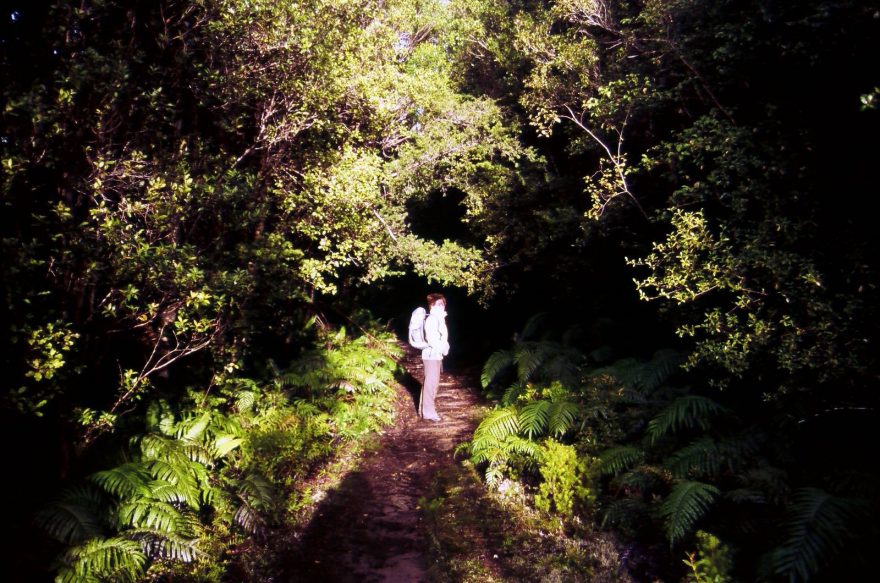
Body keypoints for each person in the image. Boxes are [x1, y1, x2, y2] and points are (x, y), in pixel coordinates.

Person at [420, 293, 449, 421]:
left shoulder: (439, 318)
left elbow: (442, 337)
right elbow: (431, 339)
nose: (442, 306)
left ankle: (425, 410)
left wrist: (443, 348)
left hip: (435, 355)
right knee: (431, 384)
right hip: (431, 355)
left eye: (443, 303)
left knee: (431, 384)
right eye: (439, 304)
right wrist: (442, 349)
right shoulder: (432, 319)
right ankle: (429, 413)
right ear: (432, 305)